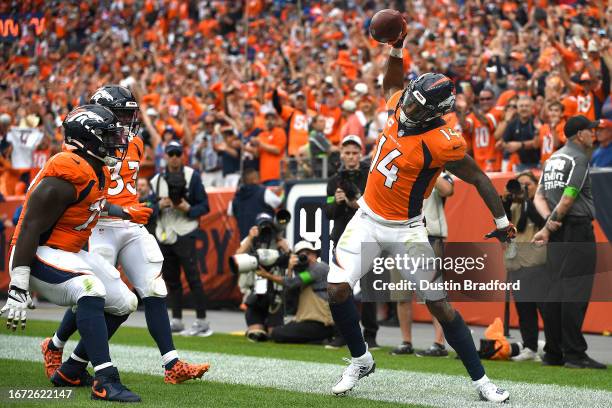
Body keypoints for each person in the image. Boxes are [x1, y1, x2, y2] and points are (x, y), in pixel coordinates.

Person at [327, 24, 514, 402]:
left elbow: (478, 178)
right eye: (409, 101)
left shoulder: (443, 142)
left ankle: (482, 383)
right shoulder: (401, 104)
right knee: (336, 289)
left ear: (436, 113)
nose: (408, 108)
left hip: (407, 230)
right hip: (366, 218)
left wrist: (502, 222)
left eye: (416, 107)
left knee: (440, 306)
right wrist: (397, 48)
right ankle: (361, 359)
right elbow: (393, 84)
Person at [41, 86, 210, 386]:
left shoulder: (136, 143)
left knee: (153, 288)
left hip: (130, 225)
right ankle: (55, 344)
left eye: (128, 114)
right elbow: (88, 194)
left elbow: (128, 182)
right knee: (95, 294)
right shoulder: (86, 146)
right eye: (120, 114)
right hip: (101, 225)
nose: (125, 121)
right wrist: (122, 210)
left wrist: (133, 208)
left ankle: (171, 364)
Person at [1, 104, 141, 402]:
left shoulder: (95, 168)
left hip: (66, 251)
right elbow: (28, 228)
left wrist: (125, 212)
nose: (116, 141)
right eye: (107, 135)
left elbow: (92, 205)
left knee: (124, 302)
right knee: (89, 288)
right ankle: (105, 379)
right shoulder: (65, 173)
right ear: (86, 139)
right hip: (35, 252)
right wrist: (18, 284)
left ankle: (72, 369)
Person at [533, 115, 607, 369]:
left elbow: (538, 198)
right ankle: (575, 354)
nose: (594, 134)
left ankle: (553, 352)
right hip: (576, 230)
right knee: (575, 292)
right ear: (579, 135)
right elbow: (568, 197)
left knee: (555, 291)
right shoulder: (579, 158)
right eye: (591, 130)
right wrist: (553, 222)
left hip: (557, 231)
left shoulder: (552, 159)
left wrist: (548, 225)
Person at [150, 140, 212, 336]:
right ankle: (176, 319)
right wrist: (159, 206)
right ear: (166, 156)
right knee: (171, 279)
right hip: (165, 232)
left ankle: (201, 321)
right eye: (171, 154)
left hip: (185, 231)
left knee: (193, 277)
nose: (175, 157)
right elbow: (148, 209)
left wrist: (189, 209)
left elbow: (205, 206)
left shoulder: (192, 176)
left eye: (178, 153)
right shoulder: (156, 180)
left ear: (183, 156)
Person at [323, 135, 379, 350]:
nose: (351, 157)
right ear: (341, 155)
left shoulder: (370, 176)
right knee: (338, 288)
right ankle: (341, 334)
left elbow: (372, 207)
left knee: (369, 288)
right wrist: (338, 203)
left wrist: (352, 201)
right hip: (342, 239)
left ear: (360, 153)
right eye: (347, 153)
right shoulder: (333, 181)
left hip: (368, 237)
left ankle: (371, 335)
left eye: (354, 152)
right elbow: (328, 212)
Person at [392, 172, 454, 357]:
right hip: (401, 236)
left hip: (430, 236)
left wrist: (426, 168)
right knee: (401, 293)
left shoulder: (439, 171)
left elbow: (447, 190)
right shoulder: (401, 168)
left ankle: (439, 343)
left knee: (434, 293)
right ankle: (406, 341)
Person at [502, 171, 546, 361]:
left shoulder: (542, 203)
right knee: (523, 307)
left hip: (537, 260)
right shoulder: (513, 205)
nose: (523, 188)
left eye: (527, 184)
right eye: (520, 185)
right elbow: (503, 225)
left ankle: (554, 346)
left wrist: (528, 199)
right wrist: (504, 202)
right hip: (517, 262)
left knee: (544, 306)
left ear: (536, 185)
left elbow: (539, 220)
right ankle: (530, 347)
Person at [256, 241, 334, 344]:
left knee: (277, 333)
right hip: (307, 322)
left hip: (321, 323)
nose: (305, 257)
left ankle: (319, 340)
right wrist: (290, 269)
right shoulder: (302, 274)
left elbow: (293, 282)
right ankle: (317, 340)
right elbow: (289, 298)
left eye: (308, 254)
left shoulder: (320, 268)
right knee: (276, 331)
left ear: (315, 255)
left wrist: (267, 275)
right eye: (301, 255)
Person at [234, 214, 290, 342]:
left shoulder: (279, 241)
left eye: (268, 226)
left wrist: (286, 249)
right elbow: (236, 258)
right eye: (262, 226)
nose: (266, 229)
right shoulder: (251, 240)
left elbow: (290, 267)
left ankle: (270, 325)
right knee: (256, 335)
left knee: (275, 334)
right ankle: (257, 325)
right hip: (256, 291)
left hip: (275, 294)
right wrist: (250, 238)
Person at [229, 168, 281, 240]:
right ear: (254, 179)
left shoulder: (235, 198)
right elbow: (279, 203)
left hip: (245, 242)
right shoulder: (264, 192)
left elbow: (230, 213)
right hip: (264, 241)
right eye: (258, 177)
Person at [500, 95, 540, 171]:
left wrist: (520, 145)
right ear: (517, 109)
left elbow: (537, 144)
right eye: (521, 106)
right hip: (518, 165)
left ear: (532, 108)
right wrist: (504, 145)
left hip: (536, 164)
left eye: (527, 106)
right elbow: (504, 141)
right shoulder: (512, 124)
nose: (524, 108)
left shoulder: (537, 122)